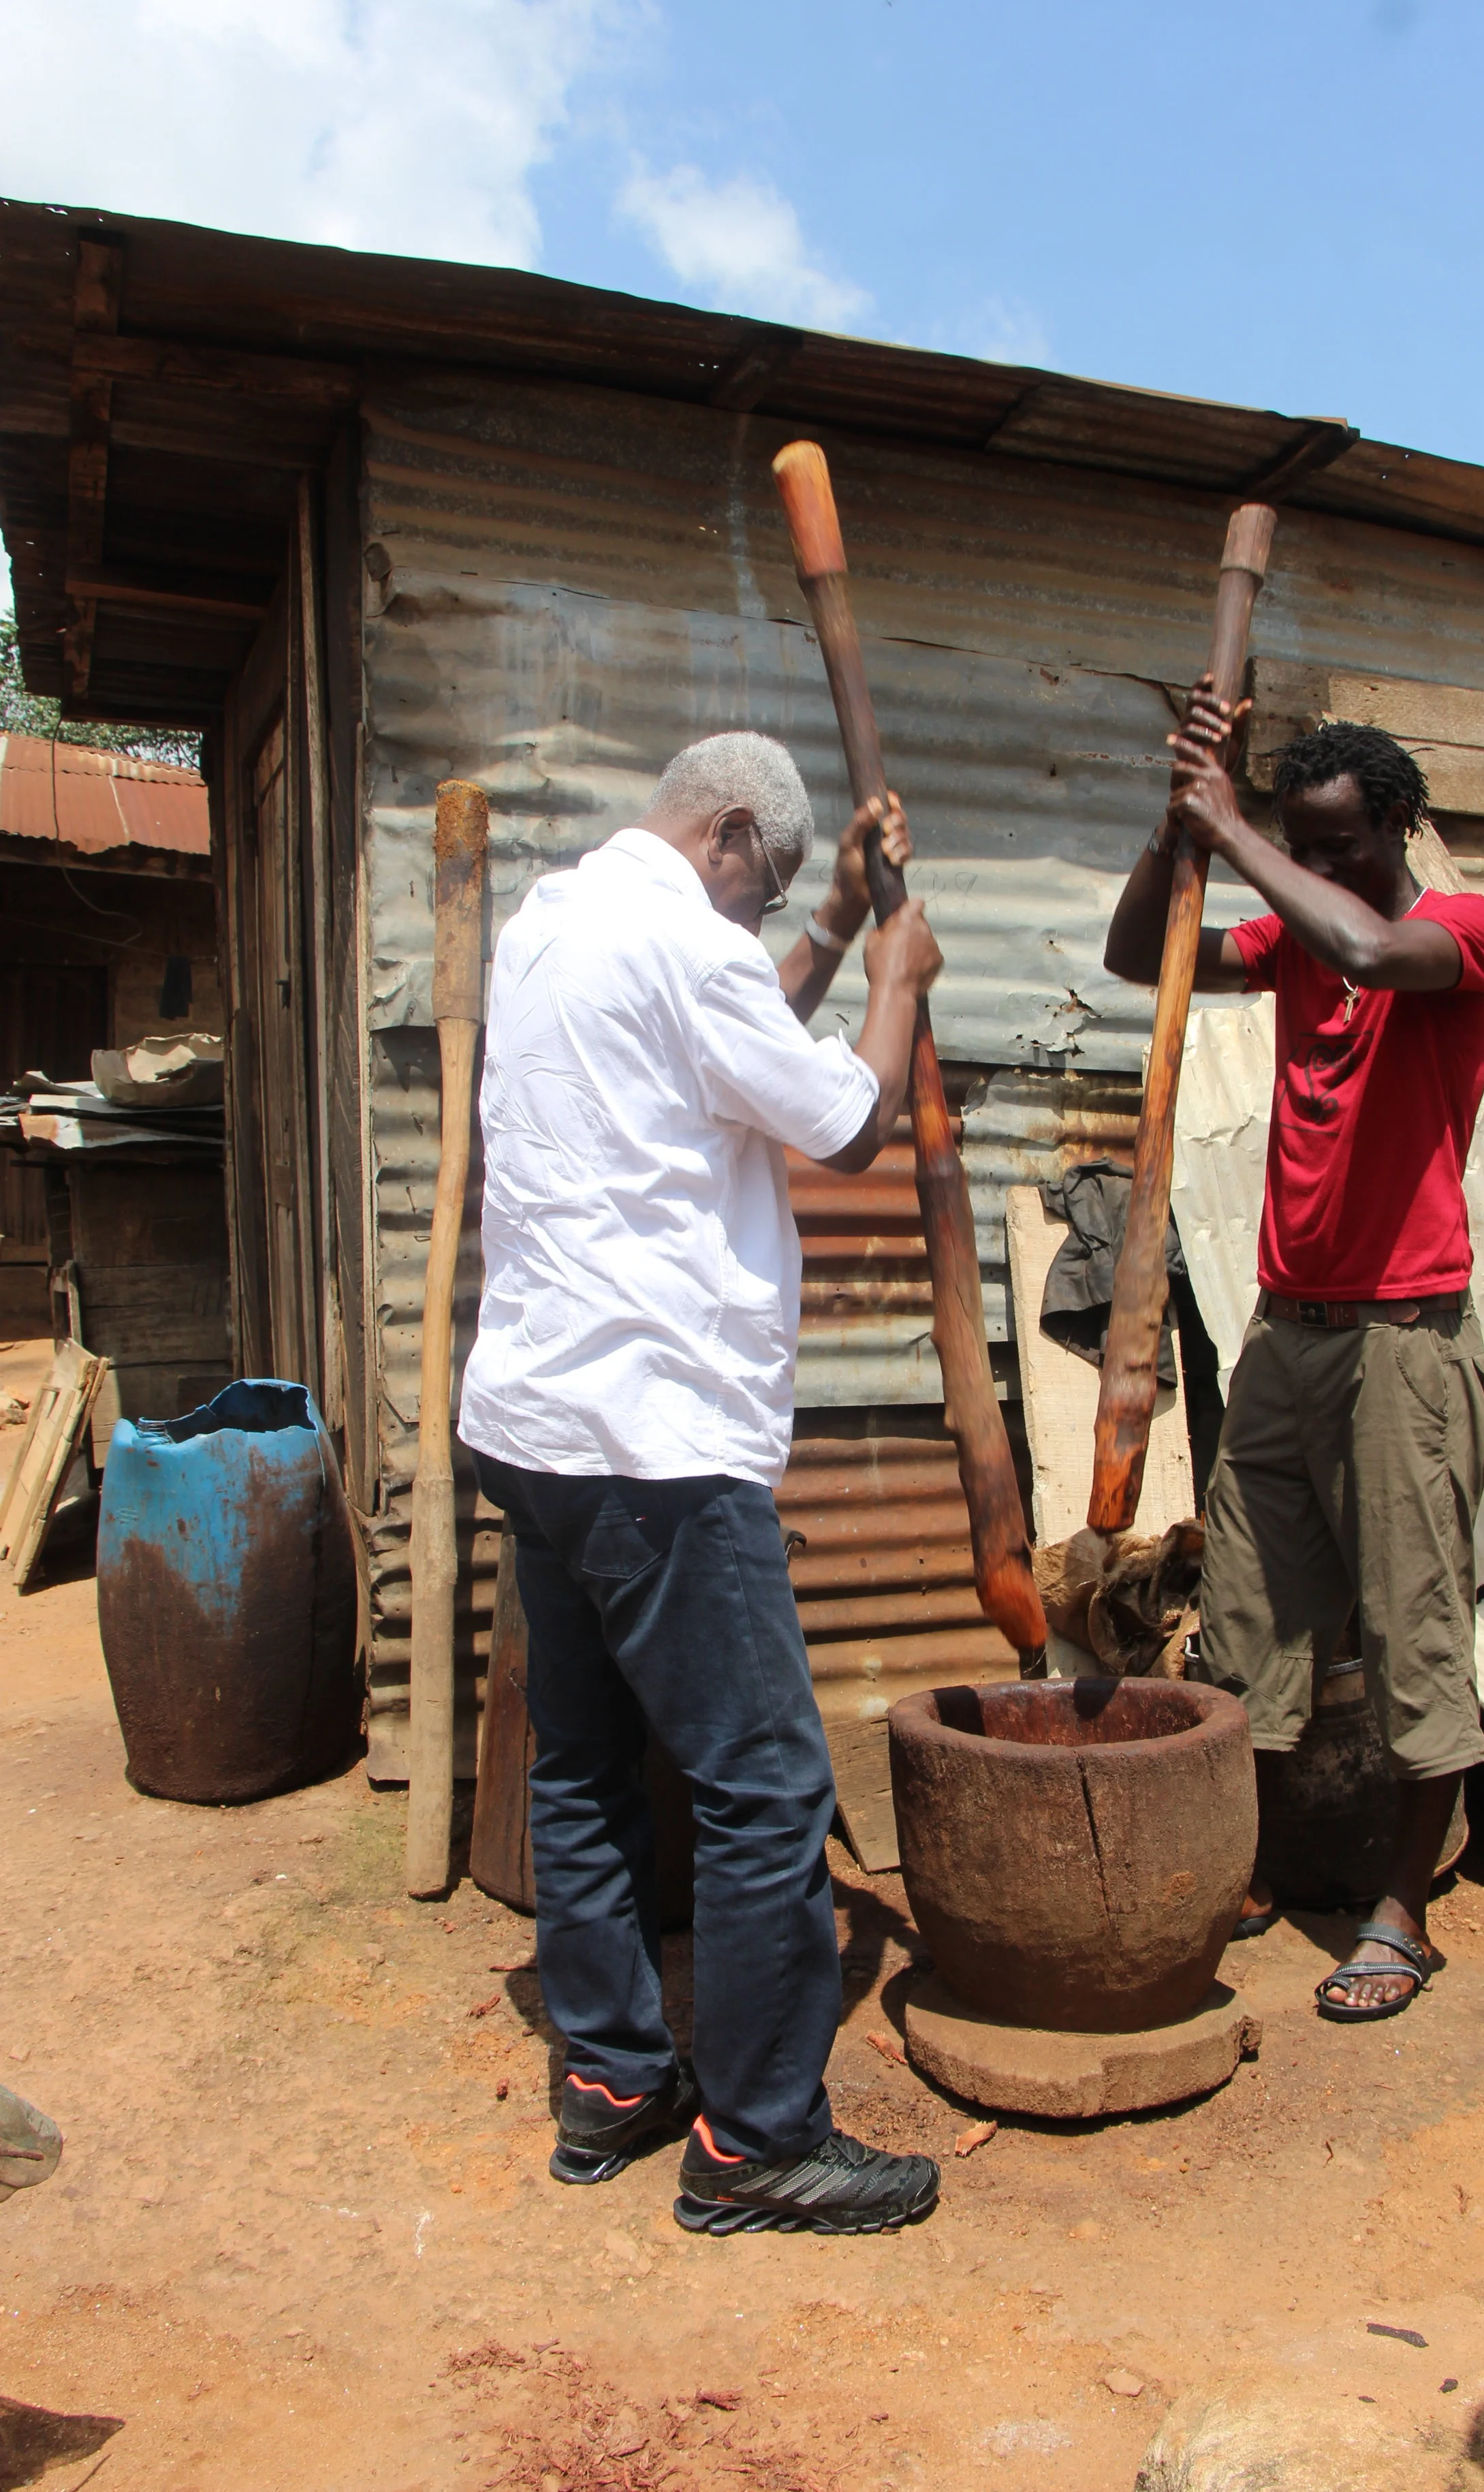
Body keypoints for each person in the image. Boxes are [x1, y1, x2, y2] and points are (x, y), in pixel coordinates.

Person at [458, 732, 945, 2230]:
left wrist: (829, 927)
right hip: (658, 1444)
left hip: (537, 1428)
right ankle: (756, 2144)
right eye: (768, 886)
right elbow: (844, 1121)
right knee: (762, 1789)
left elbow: (737, 1045)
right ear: (727, 832)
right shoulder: (688, 942)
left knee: (585, 1767)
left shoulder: (553, 921)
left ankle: (610, 2080)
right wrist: (895, 984)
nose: (757, 918)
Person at [1103, 693, 1484, 2023]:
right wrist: (1176, 837)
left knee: (1410, 1623)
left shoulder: (1454, 934)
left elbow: (1369, 945)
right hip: (1288, 1331)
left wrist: (1235, 828)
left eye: (1336, 841)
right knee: (1250, 1624)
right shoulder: (1291, 934)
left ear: (1394, 824)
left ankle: (1402, 1912)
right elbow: (1131, 958)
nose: (1317, 866)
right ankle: (1257, 1872)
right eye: (1299, 843)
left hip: (1402, 1337)